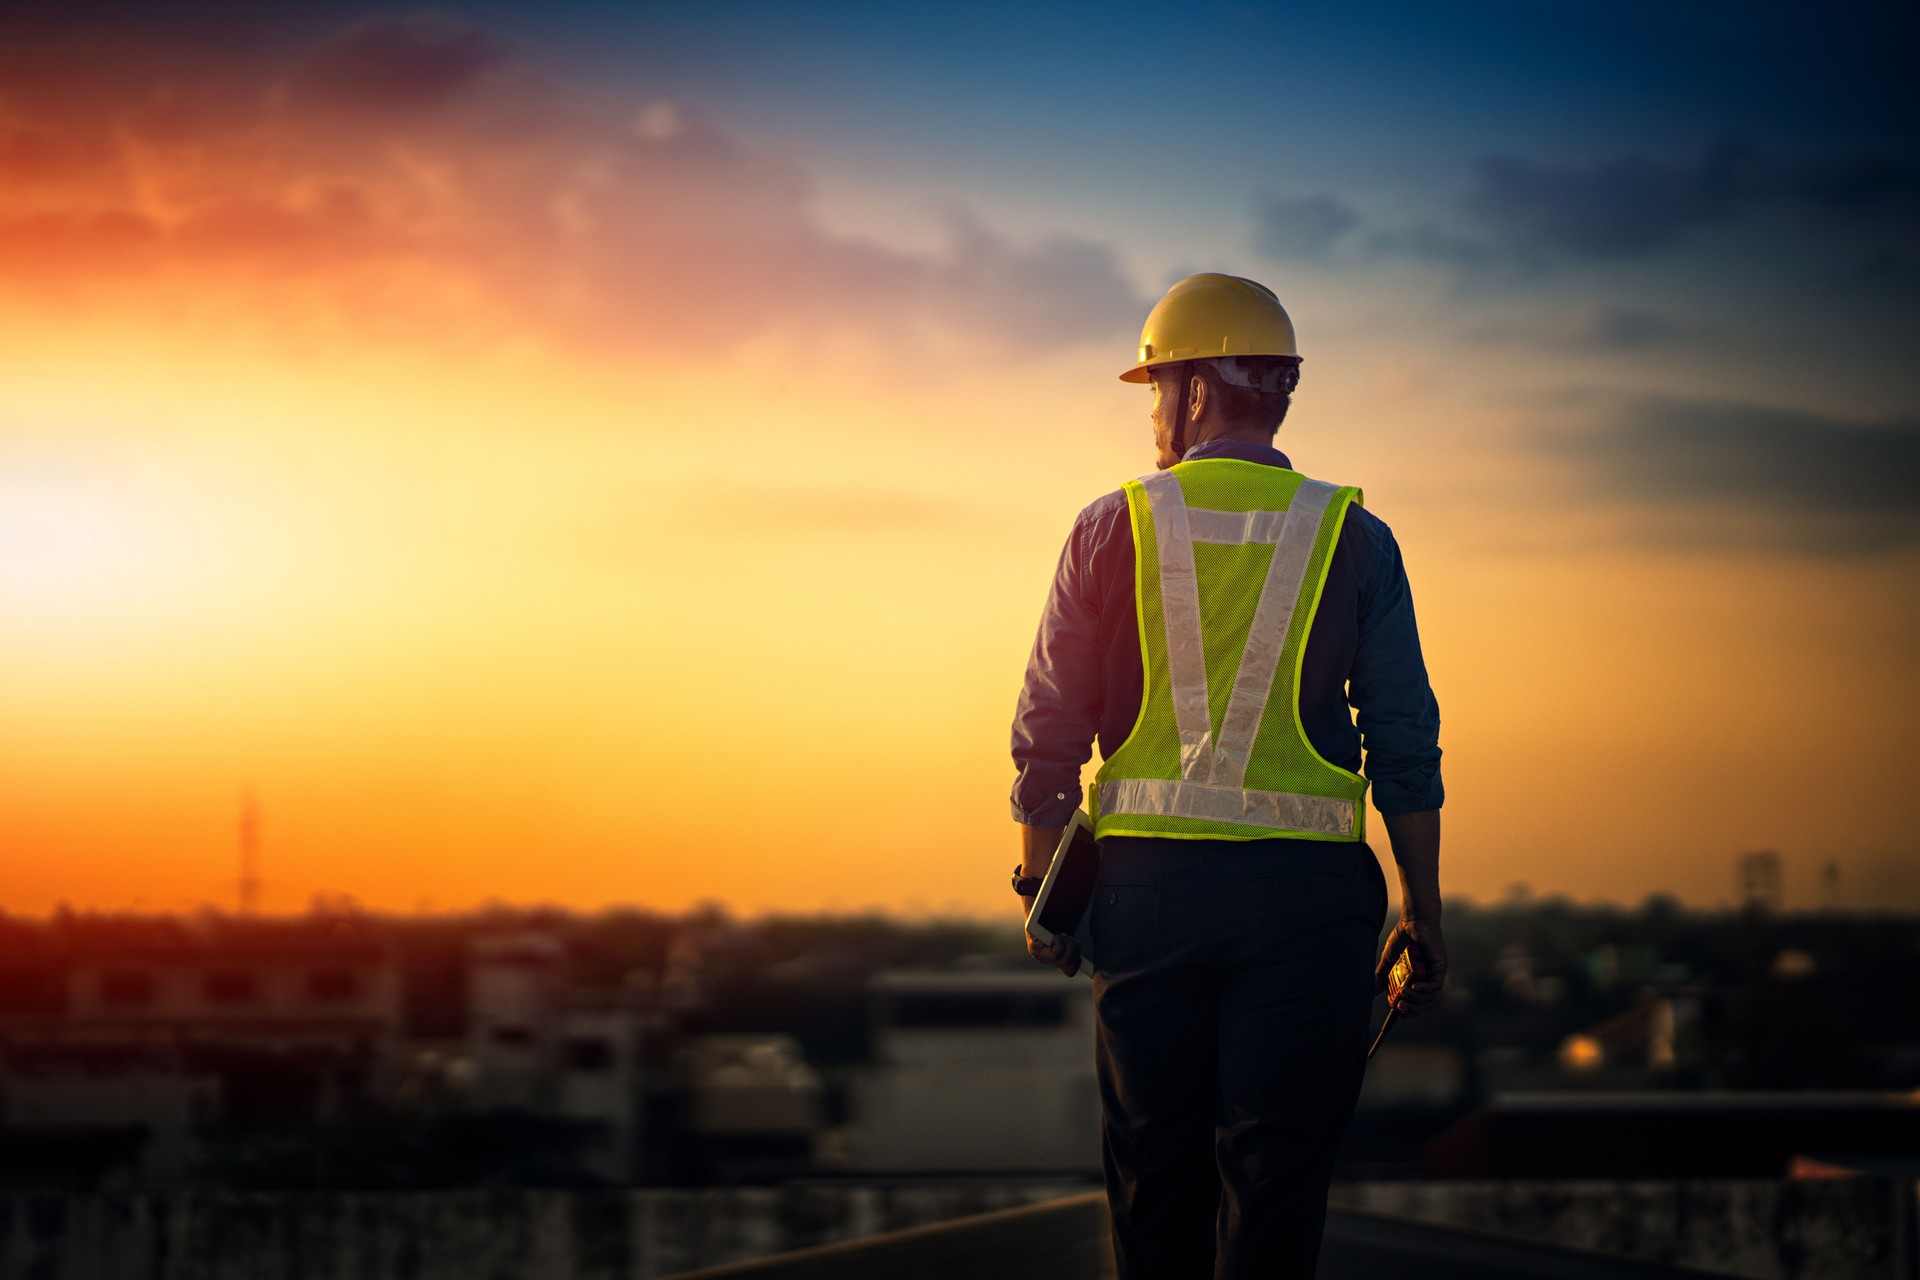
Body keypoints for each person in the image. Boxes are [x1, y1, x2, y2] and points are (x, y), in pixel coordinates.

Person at [1008, 274, 1447, 1278]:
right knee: (1277, 1184)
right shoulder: (1356, 535)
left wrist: (1043, 884)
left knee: (1155, 1178)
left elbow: (1047, 722)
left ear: (1198, 388)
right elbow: (1404, 740)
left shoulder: (1105, 526)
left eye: (1158, 386)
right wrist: (1422, 912)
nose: (1155, 412)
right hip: (1307, 907)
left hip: (1144, 895)